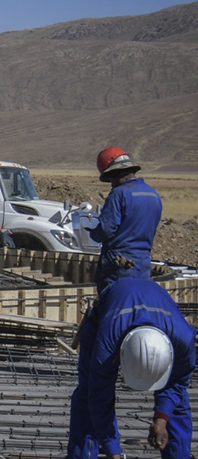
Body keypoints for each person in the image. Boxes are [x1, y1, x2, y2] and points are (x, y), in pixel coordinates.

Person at [67, 278, 194, 459]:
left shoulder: (183, 341)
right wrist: (114, 450)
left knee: (177, 401)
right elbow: (99, 395)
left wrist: (161, 418)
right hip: (103, 316)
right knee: (89, 396)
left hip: (149, 309)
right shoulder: (107, 343)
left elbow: (176, 383)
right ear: (120, 355)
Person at [90, 147, 162, 291]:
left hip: (118, 265)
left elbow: (106, 229)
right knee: (137, 303)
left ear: (115, 173)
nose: (111, 183)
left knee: (114, 305)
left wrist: (92, 233)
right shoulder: (153, 194)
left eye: (110, 178)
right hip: (143, 264)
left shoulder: (119, 194)